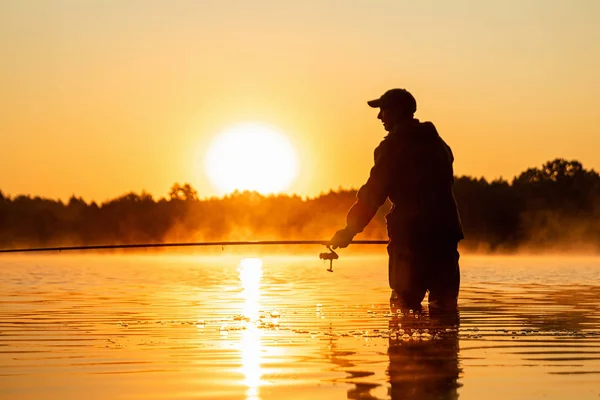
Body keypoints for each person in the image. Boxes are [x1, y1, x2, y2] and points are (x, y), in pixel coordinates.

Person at [328, 88, 464, 309]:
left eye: (383, 109)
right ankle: (445, 344)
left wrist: (348, 231)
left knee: (404, 310)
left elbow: (373, 195)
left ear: (398, 111)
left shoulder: (392, 147)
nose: (379, 116)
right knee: (445, 310)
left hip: (411, 241)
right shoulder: (440, 145)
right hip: (446, 238)